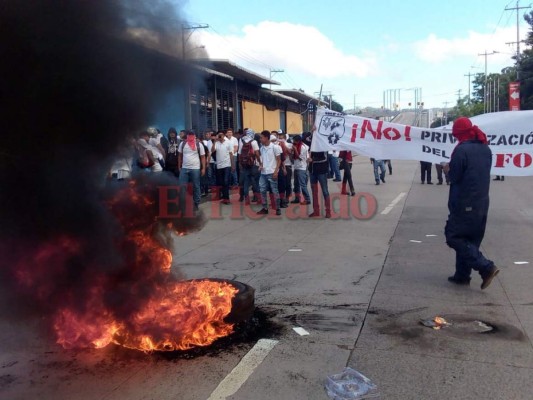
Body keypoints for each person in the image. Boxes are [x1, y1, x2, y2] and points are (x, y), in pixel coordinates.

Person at [445, 116, 500, 289]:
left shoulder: (461, 150)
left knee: (453, 236)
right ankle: (462, 275)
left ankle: (486, 267)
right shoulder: (485, 148)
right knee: (471, 238)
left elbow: (455, 176)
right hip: (482, 201)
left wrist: (447, 169)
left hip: (464, 201)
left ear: (459, 133)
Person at [178, 130, 206, 212]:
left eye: (192, 134)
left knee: (196, 186)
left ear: (194, 135)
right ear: (187, 135)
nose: (190, 136)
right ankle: (183, 204)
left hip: (195, 168)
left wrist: (203, 168)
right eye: (189, 134)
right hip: (184, 168)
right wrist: (179, 166)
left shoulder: (198, 144)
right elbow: (180, 155)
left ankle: (196, 203)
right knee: (182, 186)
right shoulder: (182, 144)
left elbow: (203, 157)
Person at [257, 131, 282, 216]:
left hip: (272, 172)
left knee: (275, 190)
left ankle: (278, 208)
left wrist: (276, 172)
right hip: (263, 173)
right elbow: (262, 159)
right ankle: (265, 208)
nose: (260, 139)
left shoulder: (275, 147)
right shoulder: (262, 148)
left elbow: (279, 160)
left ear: (267, 138)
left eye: (261, 137)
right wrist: (260, 165)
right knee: (262, 190)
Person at [238, 128, 260, 205]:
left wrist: (240, 164)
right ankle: (258, 197)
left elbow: (239, 154)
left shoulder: (241, 141)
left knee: (246, 182)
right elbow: (257, 154)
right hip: (253, 164)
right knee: (255, 181)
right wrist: (260, 163)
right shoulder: (254, 142)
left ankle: (247, 200)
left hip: (245, 164)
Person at [309, 142, 331, 218]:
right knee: (314, 191)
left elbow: (325, 158)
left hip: (322, 171)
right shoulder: (312, 144)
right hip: (312, 171)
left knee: (325, 191)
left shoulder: (324, 145)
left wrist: (313, 160)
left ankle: (328, 211)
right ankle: (316, 211)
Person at [212, 131, 234, 204]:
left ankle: (227, 198)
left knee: (226, 181)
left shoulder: (228, 143)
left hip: (227, 165)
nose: (220, 137)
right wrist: (215, 141)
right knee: (222, 182)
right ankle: (224, 197)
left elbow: (231, 154)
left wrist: (232, 165)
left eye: (221, 135)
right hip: (219, 166)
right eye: (219, 135)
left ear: (224, 135)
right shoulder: (217, 143)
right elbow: (212, 151)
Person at [291, 135, 311, 205]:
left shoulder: (303, 147)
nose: (293, 142)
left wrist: (295, 150)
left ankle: (307, 199)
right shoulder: (296, 145)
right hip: (296, 167)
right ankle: (297, 198)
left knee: (302, 184)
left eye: (294, 141)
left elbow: (300, 158)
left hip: (302, 167)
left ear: (298, 141)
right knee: (296, 184)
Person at [278, 132, 293, 207]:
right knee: (281, 184)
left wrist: (284, 146)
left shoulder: (289, 144)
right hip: (280, 165)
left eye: (281, 138)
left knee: (287, 183)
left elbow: (291, 153)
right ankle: (282, 198)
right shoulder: (277, 145)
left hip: (287, 165)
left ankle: (287, 197)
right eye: (279, 138)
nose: (280, 139)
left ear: (285, 138)